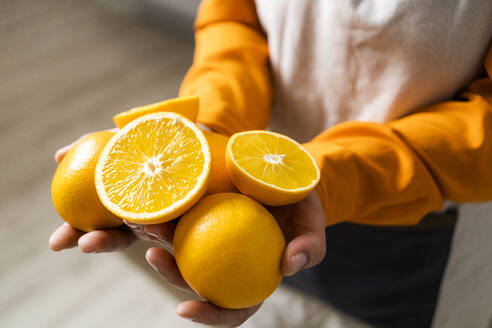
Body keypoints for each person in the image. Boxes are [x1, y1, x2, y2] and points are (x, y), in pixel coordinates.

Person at [49, 0, 492, 327]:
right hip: (243, 192)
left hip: (411, 218)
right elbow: (235, 18)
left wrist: (327, 179)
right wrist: (213, 129)